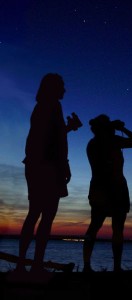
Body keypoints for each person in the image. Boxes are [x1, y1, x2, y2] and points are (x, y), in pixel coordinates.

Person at [15, 73, 82, 274]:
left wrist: (68, 128)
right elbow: (53, 142)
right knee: (45, 216)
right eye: (61, 86)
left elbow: (53, 135)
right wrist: (63, 165)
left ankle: (23, 264)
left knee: (35, 213)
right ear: (53, 87)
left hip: (37, 165)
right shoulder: (53, 106)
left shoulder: (42, 107)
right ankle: (34, 265)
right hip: (48, 167)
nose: (64, 89)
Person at [83, 114, 132, 272]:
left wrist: (114, 128)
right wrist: (121, 128)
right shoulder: (112, 141)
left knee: (94, 227)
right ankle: (116, 266)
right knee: (117, 228)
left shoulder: (92, 143)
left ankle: (87, 265)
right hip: (115, 189)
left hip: (99, 188)